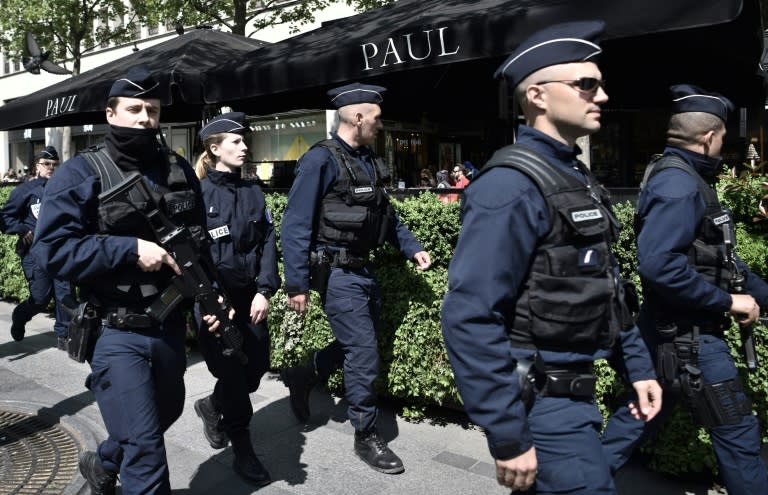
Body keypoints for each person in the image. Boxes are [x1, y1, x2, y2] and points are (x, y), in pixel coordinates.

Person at [440, 21, 662, 494]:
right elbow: (469, 314)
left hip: (577, 392)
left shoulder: (574, 175)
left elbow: (608, 286)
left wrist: (637, 369)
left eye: (600, 84)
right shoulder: (511, 185)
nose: (601, 95)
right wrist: (507, 432)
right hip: (544, 404)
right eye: (586, 84)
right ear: (538, 96)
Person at [32, 66, 224, 495]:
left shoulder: (177, 169)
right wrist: (129, 249)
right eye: (134, 109)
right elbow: (51, 252)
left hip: (170, 326)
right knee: (146, 449)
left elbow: (198, 248)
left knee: (164, 413)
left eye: (152, 110)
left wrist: (210, 301)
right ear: (111, 114)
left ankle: (102, 464)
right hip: (115, 330)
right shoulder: (81, 172)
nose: (144, 118)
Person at [601, 85, 768, 493]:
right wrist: (728, 302)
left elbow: (717, 258)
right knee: (738, 435)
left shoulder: (685, 177)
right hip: (689, 340)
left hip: (671, 335)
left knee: (640, 415)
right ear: (710, 137)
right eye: (724, 138)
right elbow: (659, 266)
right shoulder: (679, 185)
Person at [280, 82, 432, 474]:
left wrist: (411, 246)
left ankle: (305, 372)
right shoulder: (319, 161)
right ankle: (366, 434)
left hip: (362, 269)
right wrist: (296, 284)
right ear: (358, 117)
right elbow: (295, 224)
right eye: (377, 119)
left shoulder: (366, 159)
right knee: (363, 353)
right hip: (335, 272)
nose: (381, 126)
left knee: (357, 345)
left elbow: (387, 214)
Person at [192, 112, 280, 487]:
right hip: (213, 304)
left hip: (250, 298)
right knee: (231, 370)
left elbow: (266, 242)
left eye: (245, 141)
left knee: (256, 367)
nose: (245, 147)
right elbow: (192, 257)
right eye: (236, 142)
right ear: (214, 148)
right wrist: (213, 301)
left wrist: (264, 289)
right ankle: (243, 448)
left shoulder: (252, 190)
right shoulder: (197, 195)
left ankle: (212, 406)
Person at [0, 146, 73, 350]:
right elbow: (5, 217)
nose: (51, 167)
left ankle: (64, 334)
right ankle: (20, 316)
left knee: (64, 293)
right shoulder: (25, 190)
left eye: (54, 164)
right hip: (35, 252)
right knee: (40, 298)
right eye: (46, 164)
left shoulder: (64, 188)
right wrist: (22, 229)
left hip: (60, 250)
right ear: (37, 166)